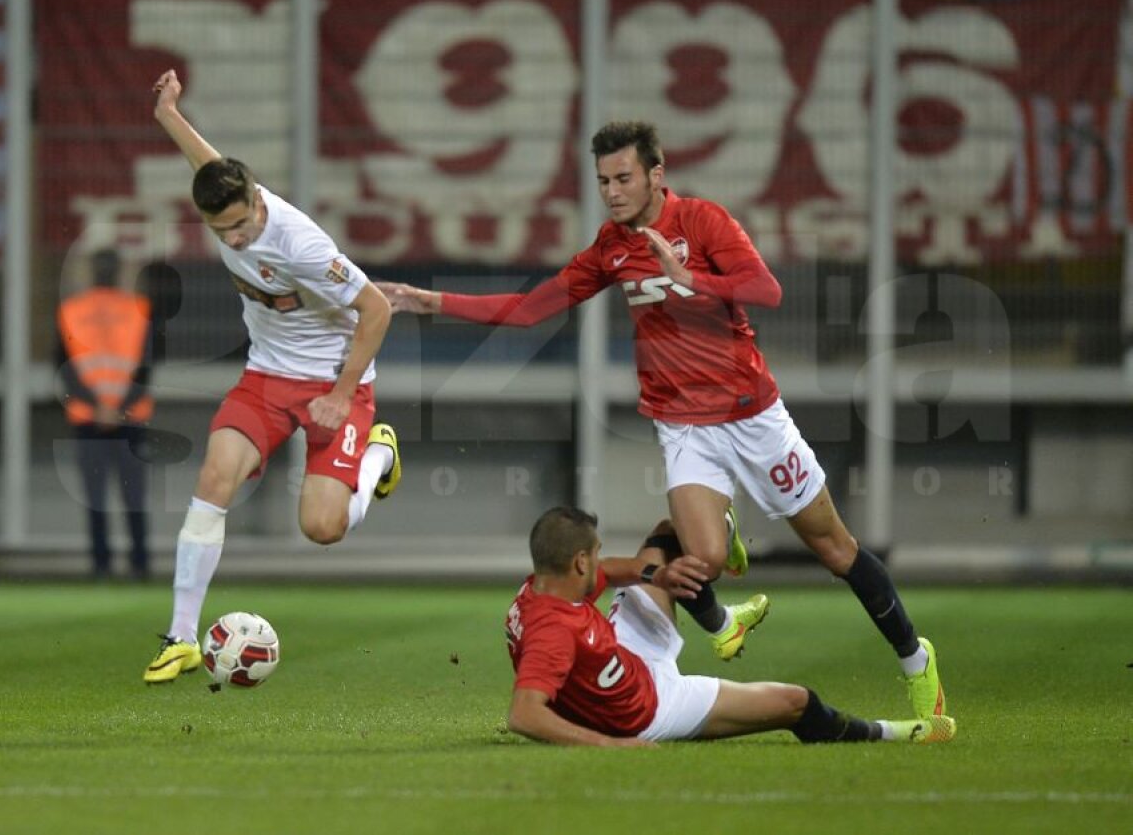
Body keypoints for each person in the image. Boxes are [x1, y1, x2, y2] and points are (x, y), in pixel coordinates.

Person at [381, 120, 945, 719]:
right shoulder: (610, 247)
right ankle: (724, 605)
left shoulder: (702, 222)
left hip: (752, 416)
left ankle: (916, 659)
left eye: (623, 177)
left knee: (835, 551)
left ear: (656, 174)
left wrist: (688, 278)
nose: (612, 191)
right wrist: (430, 301)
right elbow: (530, 308)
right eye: (602, 180)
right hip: (684, 425)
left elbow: (766, 289)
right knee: (696, 560)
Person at [141, 69, 400, 683]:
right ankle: (180, 636)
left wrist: (342, 394)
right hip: (265, 377)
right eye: (221, 231)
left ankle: (377, 460)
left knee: (322, 528)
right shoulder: (228, 197)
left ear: (259, 202)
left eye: (240, 225)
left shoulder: (301, 246)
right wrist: (169, 116)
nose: (234, 237)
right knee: (214, 475)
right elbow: (209, 164)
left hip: (336, 384)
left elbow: (377, 310)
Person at [505, 507, 957, 747]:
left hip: (624, 654)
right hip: (650, 709)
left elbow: (616, 571)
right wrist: (606, 745)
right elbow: (525, 714)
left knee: (669, 535)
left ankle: (723, 622)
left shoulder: (545, 587)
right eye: (596, 553)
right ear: (579, 560)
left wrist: (654, 576)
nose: (600, 561)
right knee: (795, 702)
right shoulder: (553, 631)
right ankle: (890, 732)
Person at [57, 247, 154, 580]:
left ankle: (101, 566)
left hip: (88, 419)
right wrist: (119, 407)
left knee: (95, 496)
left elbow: (64, 369)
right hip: (130, 418)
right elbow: (145, 368)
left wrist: (98, 406)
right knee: (134, 495)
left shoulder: (71, 310)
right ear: (120, 272)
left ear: (90, 272)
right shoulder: (138, 309)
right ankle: (140, 564)